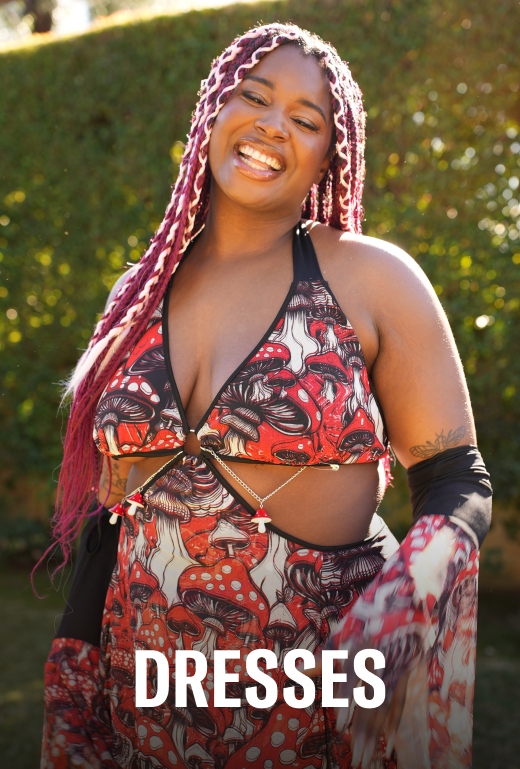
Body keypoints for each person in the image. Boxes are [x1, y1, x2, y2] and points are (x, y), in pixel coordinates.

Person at [40, 23, 492, 769]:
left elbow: (456, 480)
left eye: (307, 119)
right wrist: (73, 685)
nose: (273, 124)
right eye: (254, 97)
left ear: (327, 154)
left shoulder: (371, 279)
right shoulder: (138, 293)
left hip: (320, 709)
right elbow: (108, 519)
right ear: (211, 112)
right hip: (145, 707)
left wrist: (413, 585)